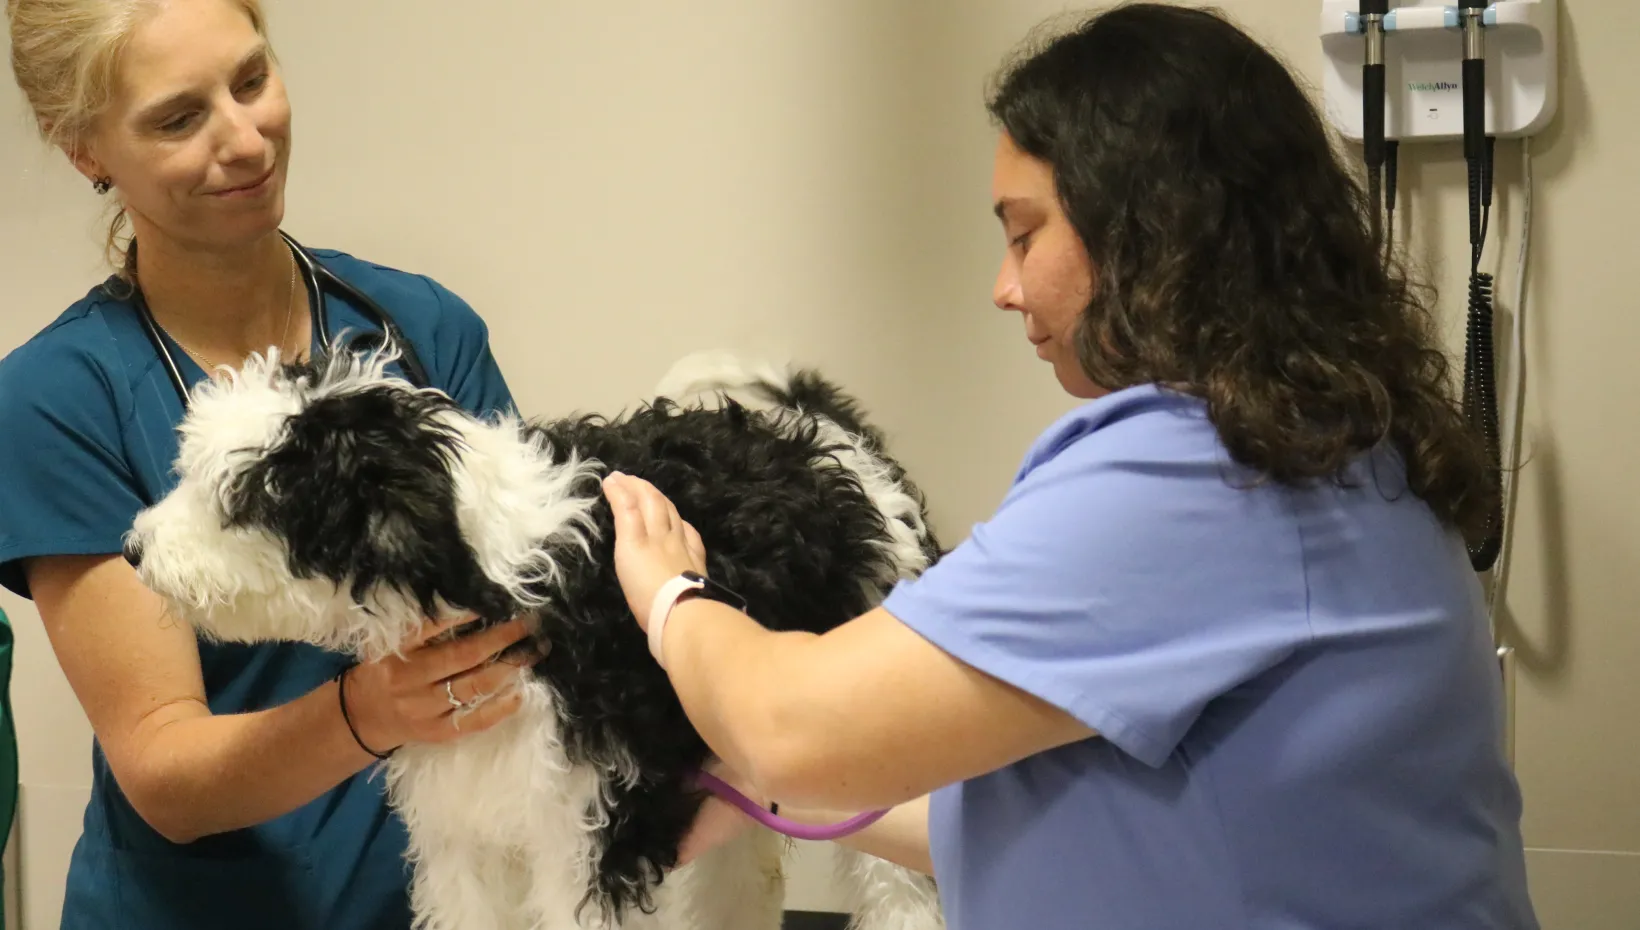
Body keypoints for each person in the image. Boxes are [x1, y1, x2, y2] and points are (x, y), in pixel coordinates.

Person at [597, 4, 1542, 928]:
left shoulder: (1202, 476)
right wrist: (753, 796)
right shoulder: (1328, 445)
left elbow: (790, 730)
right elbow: (1083, 820)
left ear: (1148, 225)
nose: (1003, 289)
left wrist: (672, 595)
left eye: (1024, 233)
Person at [0, 1, 548, 926]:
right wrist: (377, 709)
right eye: (180, 118)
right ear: (85, 149)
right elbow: (168, 771)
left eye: (252, 80)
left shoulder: (419, 333)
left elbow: (520, 614)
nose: (247, 140)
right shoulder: (61, 397)